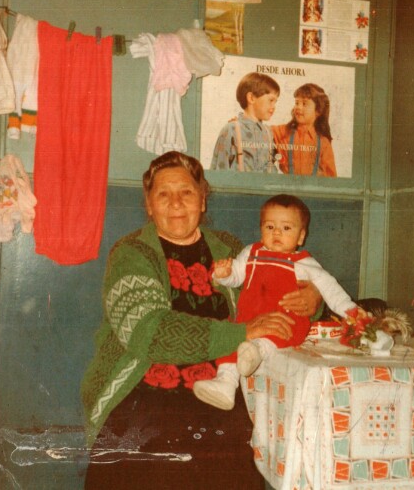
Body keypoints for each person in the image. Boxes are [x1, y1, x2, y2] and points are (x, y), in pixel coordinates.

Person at [81, 152, 321, 489]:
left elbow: (276, 289)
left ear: (203, 200)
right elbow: (149, 333)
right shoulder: (132, 253)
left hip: (223, 392)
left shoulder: (230, 249)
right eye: (163, 194)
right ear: (149, 205)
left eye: (187, 192)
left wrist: (312, 298)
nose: (176, 203)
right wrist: (243, 332)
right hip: (144, 398)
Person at [193, 194, 367, 411]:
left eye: (286, 228)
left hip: (286, 322)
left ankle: (257, 351)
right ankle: (225, 383)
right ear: (261, 229)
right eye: (270, 227)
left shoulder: (304, 263)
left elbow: (331, 290)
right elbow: (235, 277)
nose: (276, 233)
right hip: (249, 320)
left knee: (271, 335)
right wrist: (223, 274)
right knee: (230, 339)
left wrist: (352, 312)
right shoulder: (251, 252)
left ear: (301, 236)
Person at [211, 72, 282, 173]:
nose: (274, 106)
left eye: (275, 102)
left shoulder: (268, 133)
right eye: (271, 100)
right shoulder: (231, 130)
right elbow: (219, 171)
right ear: (251, 98)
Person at [272, 83, 338, 177]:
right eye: (297, 103)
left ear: (318, 111)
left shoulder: (324, 143)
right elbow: (262, 130)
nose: (298, 107)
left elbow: (331, 177)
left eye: (304, 104)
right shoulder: (281, 132)